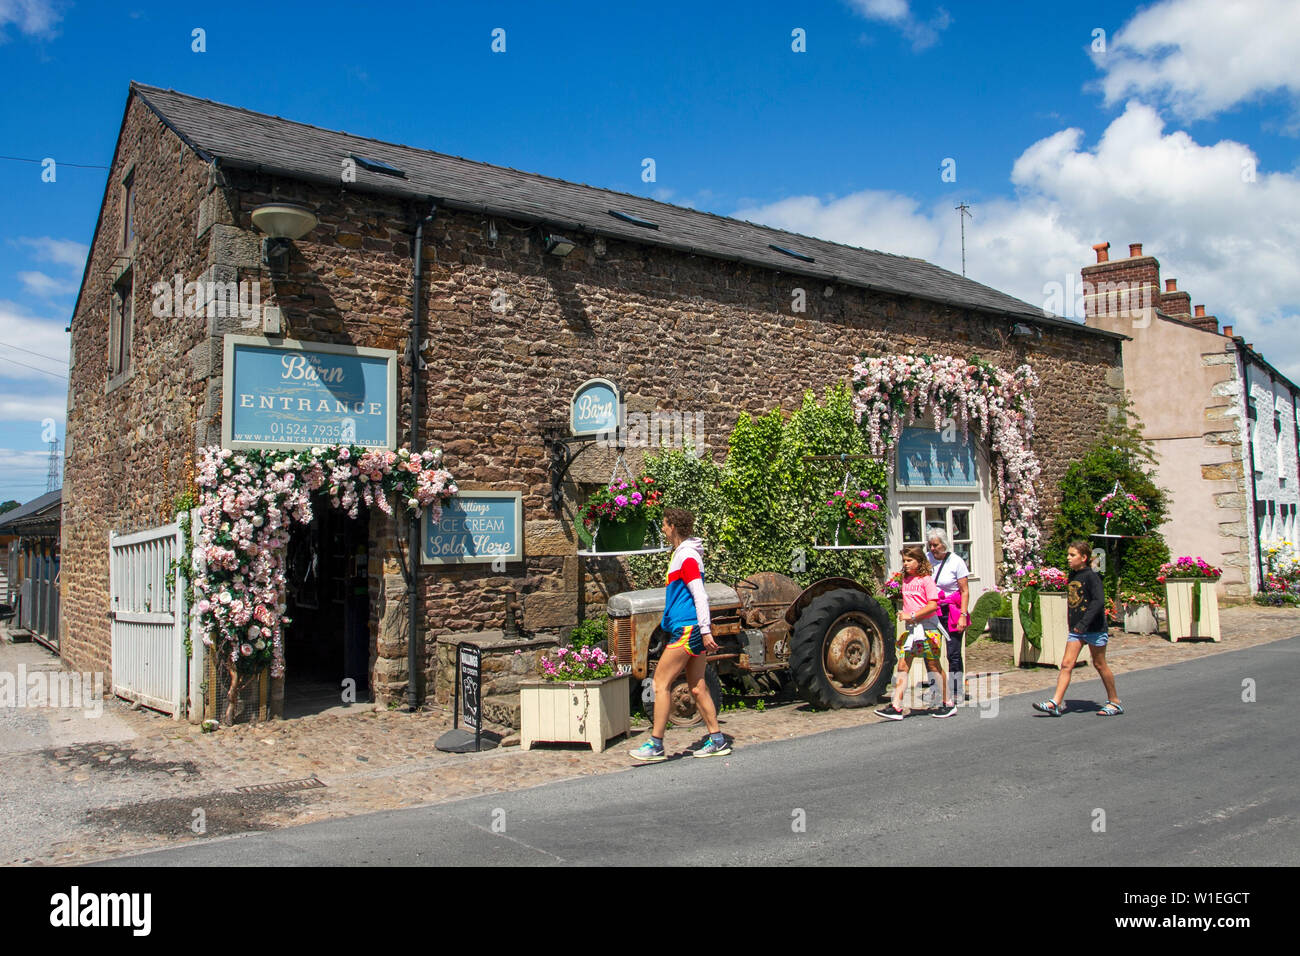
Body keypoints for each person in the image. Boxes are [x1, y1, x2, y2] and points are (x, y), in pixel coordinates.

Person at [629, 507, 731, 760]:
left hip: (687, 629)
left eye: (664, 525)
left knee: (660, 684)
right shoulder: (685, 554)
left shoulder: (686, 556)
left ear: (673, 526)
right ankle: (717, 739)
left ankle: (656, 743)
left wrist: (705, 631)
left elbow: (700, 594)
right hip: (690, 628)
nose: (663, 529)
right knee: (697, 687)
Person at [1033, 540, 1124, 716]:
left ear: (1083, 558)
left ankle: (1114, 701)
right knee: (1066, 664)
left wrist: (1084, 624)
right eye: (1068, 554)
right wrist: (1075, 625)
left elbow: (1098, 601)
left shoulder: (1092, 576)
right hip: (1077, 630)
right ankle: (1055, 703)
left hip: (1094, 628)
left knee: (1099, 664)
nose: (1068, 558)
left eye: (1072, 555)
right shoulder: (1073, 575)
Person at [876, 545, 957, 720]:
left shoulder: (926, 580)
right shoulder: (905, 580)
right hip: (912, 631)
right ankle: (897, 706)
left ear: (919, 561)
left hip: (928, 630)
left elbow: (933, 605)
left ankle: (948, 702)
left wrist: (911, 615)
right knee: (903, 665)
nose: (905, 564)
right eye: (904, 560)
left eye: (909, 560)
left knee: (934, 666)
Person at [927, 528, 969, 704]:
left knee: (953, 653)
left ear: (944, 544)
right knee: (930, 653)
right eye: (930, 545)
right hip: (933, 611)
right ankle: (936, 689)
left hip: (951, 611)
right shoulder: (927, 560)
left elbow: (964, 591)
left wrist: (963, 615)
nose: (932, 548)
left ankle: (957, 689)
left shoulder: (956, 562)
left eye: (935, 545)